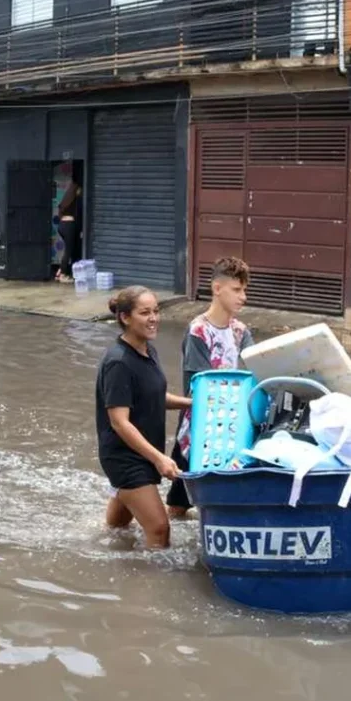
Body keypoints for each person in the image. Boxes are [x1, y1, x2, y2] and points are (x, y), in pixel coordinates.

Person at [96, 286, 191, 548]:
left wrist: (192, 403)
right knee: (159, 530)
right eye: (145, 312)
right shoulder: (118, 363)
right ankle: (148, 583)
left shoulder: (148, 351)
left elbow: (154, 396)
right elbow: (119, 422)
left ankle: (101, 554)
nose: (154, 318)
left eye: (156, 311)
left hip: (144, 452)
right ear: (126, 318)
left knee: (117, 530)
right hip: (125, 456)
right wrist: (160, 458)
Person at [166, 256, 254, 519]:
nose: (243, 297)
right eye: (237, 290)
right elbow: (199, 387)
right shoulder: (198, 332)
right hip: (196, 428)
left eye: (244, 290)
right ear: (217, 289)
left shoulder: (240, 331)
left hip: (229, 425)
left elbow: (256, 367)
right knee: (179, 507)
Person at [55, 173, 83, 283]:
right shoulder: (74, 201)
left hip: (63, 225)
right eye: (79, 190)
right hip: (69, 226)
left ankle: (59, 272)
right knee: (69, 251)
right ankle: (62, 275)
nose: (80, 192)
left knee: (70, 250)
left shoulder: (67, 200)